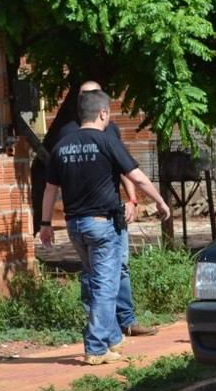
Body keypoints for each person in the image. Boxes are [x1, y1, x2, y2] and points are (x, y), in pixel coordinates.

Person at [40, 88, 171, 365]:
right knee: (105, 287)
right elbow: (137, 176)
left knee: (97, 281)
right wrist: (160, 201)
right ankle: (96, 346)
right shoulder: (106, 140)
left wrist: (45, 223)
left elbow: (50, 189)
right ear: (103, 113)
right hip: (101, 226)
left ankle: (112, 337)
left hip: (75, 228)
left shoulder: (62, 145)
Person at [60, 81, 157, 338]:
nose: (92, 99)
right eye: (87, 95)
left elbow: (124, 168)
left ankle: (124, 322)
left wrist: (132, 200)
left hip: (113, 211)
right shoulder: (68, 132)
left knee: (120, 267)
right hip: (91, 216)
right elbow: (58, 180)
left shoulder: (110, 131)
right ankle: (97, 330)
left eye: (96, 94)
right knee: (94, 275)